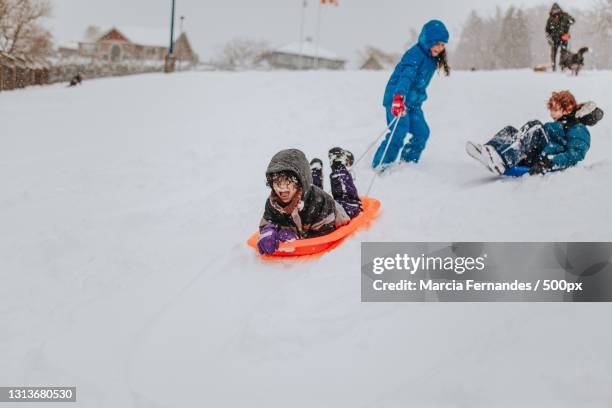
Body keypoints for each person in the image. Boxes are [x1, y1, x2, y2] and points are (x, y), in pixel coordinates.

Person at [372, 20, 450, 169]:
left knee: (422, 133)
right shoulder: (415, 54)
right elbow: (405, 77)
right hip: (397, 98)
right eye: (438, 43)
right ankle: (381, 164)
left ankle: (407, 162)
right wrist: (398, 98)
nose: (440, 48)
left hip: (413, 104)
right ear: (428, 40)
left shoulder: (431, 58)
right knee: (398, 131)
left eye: (443, 45)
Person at [466, 90, 603, 176]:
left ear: (567, 109)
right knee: (510, 130)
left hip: (544, 156)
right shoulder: (559, 124)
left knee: (536, 127)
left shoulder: (578, 128)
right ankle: (490, 151)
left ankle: (501, 159)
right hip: (536, 150)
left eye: (555, 110)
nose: (551, 114)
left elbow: (575, 154)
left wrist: (549, 163)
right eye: (550, 110)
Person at [257, 148, 363, 255]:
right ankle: (314, 170)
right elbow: (268, 221)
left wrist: (295, 236)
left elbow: (324, 234)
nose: (282, 188)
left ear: (299, 181)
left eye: (289, 181)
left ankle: (338, 163)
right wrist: (268, 229)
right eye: (277, 182)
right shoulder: (273, 202)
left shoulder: (319, 202)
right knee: (307, 189)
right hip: (307, 195)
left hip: (336, 213)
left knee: (347, 200)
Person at [545, 3, 575, 72]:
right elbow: (547, 31)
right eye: (554, 10)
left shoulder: (565, 16)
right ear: (552, 11)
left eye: (557, 9)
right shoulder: (550, 20)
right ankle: (553, 67)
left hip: (564, 38)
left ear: (559, 9)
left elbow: (572, 21)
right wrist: (549, 39)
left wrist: (570, 20)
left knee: (564, 53)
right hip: (554, 39)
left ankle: (563, 66)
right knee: (553, 54)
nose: (555, 11)